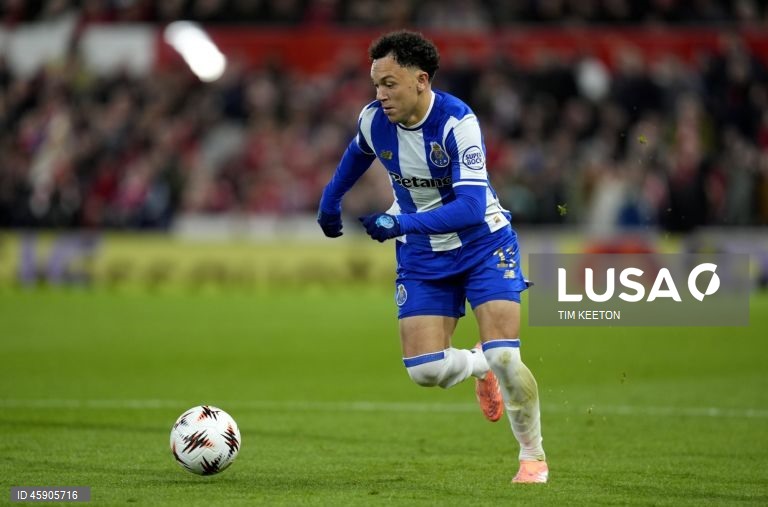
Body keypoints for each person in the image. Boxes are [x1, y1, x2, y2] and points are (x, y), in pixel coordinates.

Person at [317, 30, 548, 484]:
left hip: (484, 246)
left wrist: (399, 223)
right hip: (423, 255)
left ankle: (532, 457)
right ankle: (480, 365)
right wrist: (330, 199)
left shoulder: (457, 123)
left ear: (421, 81)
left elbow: (468, 207)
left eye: (390, 84)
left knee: (507, 356)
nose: (379, 94)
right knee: (425, 371)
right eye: (375, 84)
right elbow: (356, 154)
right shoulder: (373, 120)